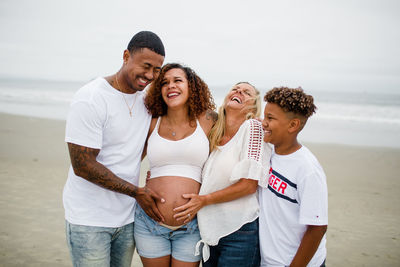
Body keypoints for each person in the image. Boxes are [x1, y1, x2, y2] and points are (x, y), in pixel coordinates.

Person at [63, 31, 165, 267]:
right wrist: (137, 192)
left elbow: (137, 147)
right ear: (126, 56)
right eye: (146, 66)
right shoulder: (91, 98)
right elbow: (83, 166)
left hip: (127, 219)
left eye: (156, 70)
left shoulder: (147, 101)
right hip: (89, 220)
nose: (150, 76)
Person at [173, 82, 271, 266]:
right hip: (209, 231)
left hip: (239, 231)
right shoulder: (214, 133)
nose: (238, 91)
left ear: (254, 105)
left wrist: (204, 200)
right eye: (235, 89)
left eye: (246, 92)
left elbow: (249, 185)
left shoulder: (252, 128)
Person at [134, 63, 216, 267]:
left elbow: (236, 131)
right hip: (149, 223)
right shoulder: (152, 122)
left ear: (192, 87)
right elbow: (129, 160)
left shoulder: (208, 120)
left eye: (177, 80)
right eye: (164, 83)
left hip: (192, 226)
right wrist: (138, 191)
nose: (171, 86)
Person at [259, 87, 328, 267]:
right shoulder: (269, 151)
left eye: (270, 118)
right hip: (268, 261)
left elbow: (317, 228)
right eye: (264, 116)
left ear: (293, 125)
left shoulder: (307, 168)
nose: (263, 122)